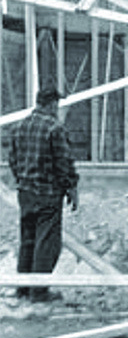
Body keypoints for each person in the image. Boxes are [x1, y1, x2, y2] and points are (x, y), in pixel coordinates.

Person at [9, 88, 78, 303]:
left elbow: (12, 160)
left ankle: (22, 289)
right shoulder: (54, 129)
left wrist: (22, 180)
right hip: (48, 193)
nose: (57, 110)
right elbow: (63, 163)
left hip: (26, 193)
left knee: (27, 240)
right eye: (56, 105)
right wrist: (71, 187)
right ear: (51, 104)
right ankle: (38, 292)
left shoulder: (18, 127)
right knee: (46, 243)